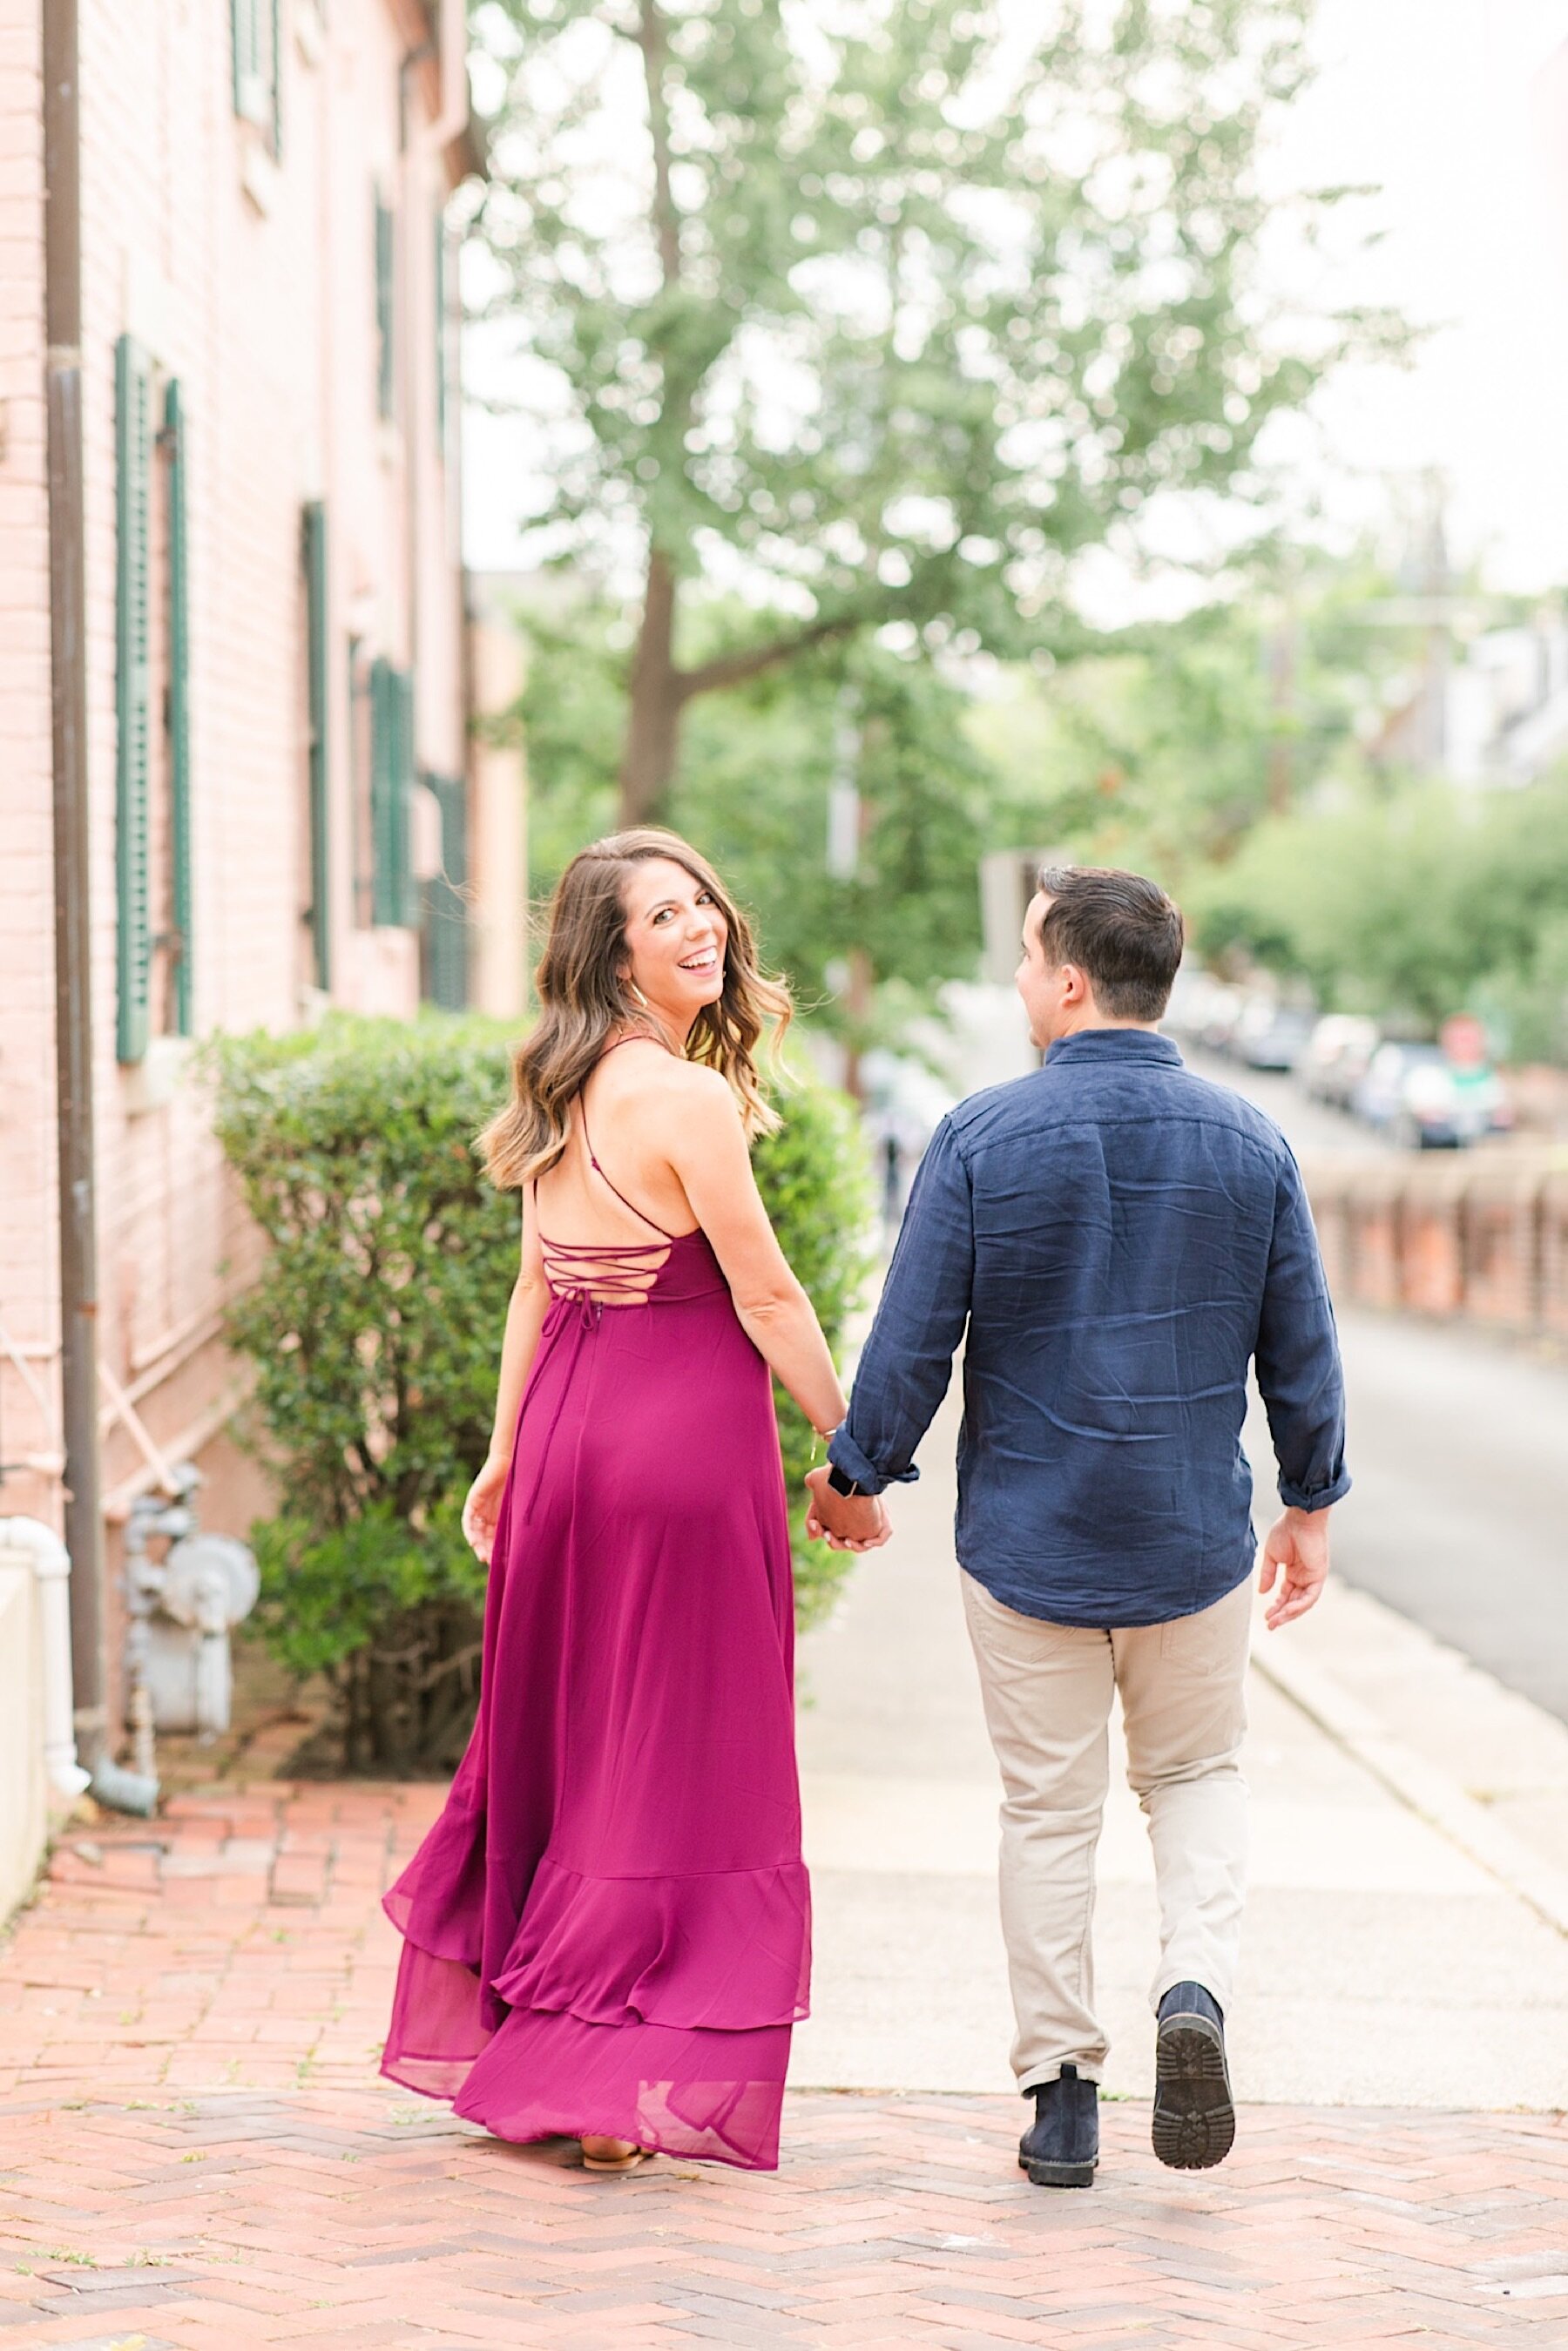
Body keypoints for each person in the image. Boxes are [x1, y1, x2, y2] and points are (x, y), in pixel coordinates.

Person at [806, 865, 1348, 2188]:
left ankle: (1063, 2099)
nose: (1015, 984)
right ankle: (1196, 1995)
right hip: (1190, 1536)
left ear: (1065, 980)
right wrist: (1311, 1505)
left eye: (1023, 960)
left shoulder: (983, 1136)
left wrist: (858, 1468)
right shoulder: (1251, 1138)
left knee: (1048, 1812)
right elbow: (1302, 1349)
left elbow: (916, 1331)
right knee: (1197, 1780)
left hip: (1030, 1537)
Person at [381, 828, 870, 2173]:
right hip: (678, 1448)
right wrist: (856, 1444)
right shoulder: (685, 1100)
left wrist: (502, 1451)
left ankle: (558, 2044)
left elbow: (541, 1283)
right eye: (666, 916)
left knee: (579, 1734)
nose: (703, 927)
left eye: (704, 899)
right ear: (616, 954)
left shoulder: (560, 1080)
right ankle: (611, 2078)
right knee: (675, 1757)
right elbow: (765, 1294)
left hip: (568, 1433)